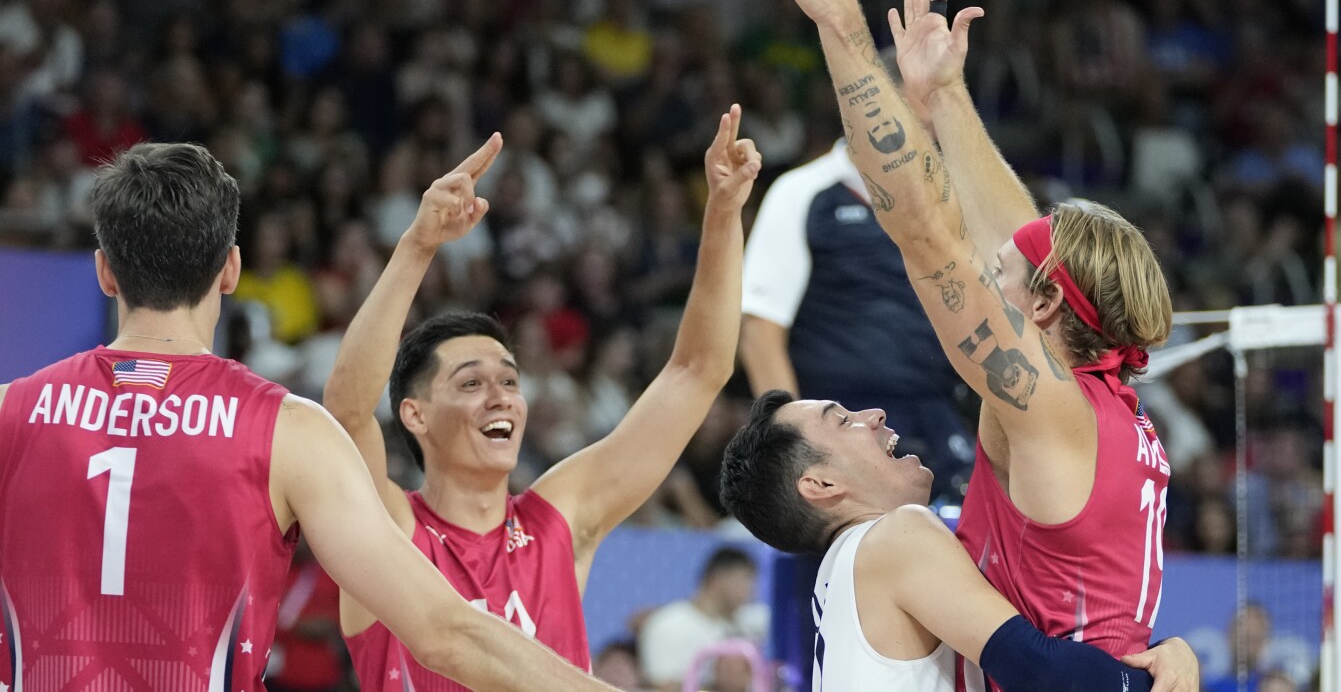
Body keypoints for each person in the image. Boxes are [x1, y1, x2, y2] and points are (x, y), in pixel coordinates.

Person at [0, 141, 617, 690]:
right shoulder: (286, 431)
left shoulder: (11, 411)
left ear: (106, 272)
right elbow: (445, 633)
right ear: (232, 270)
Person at [760, 0, 1174, 671]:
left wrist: (839, 23)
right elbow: (1012, 240)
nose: (993, 266)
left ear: (1047, 303)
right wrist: (944, 99)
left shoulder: (1046, 403)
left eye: (1011, 273)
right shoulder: (1108, 410)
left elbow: (924, 234)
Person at [322, 107, 759, 688]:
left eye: (509, 381)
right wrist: (419, 247)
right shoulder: (390, 529)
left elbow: (698, 370)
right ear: (415, 414)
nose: (501, 397)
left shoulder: (560, 519)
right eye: (471, 383)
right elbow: (348, 411)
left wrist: (723, 215)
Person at [719, 389, 1198, 692]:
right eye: (843, 420)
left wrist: (1163, 654)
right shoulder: (894, 537)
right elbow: (1040, 674)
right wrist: (1154, 676)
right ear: (820, 485)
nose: (874, 413)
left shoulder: (852, 569)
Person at [740, 135, 972, 500]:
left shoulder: (953, 197)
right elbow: (760, 335)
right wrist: (795, 454)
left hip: (935, 409)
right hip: (841, 418)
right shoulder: (803, 192)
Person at [637, 546, 768, 692]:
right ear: (718, 578)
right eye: (746, 579)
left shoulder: (745, 623)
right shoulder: (668, 625)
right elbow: (663, 686)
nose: (751, 590)